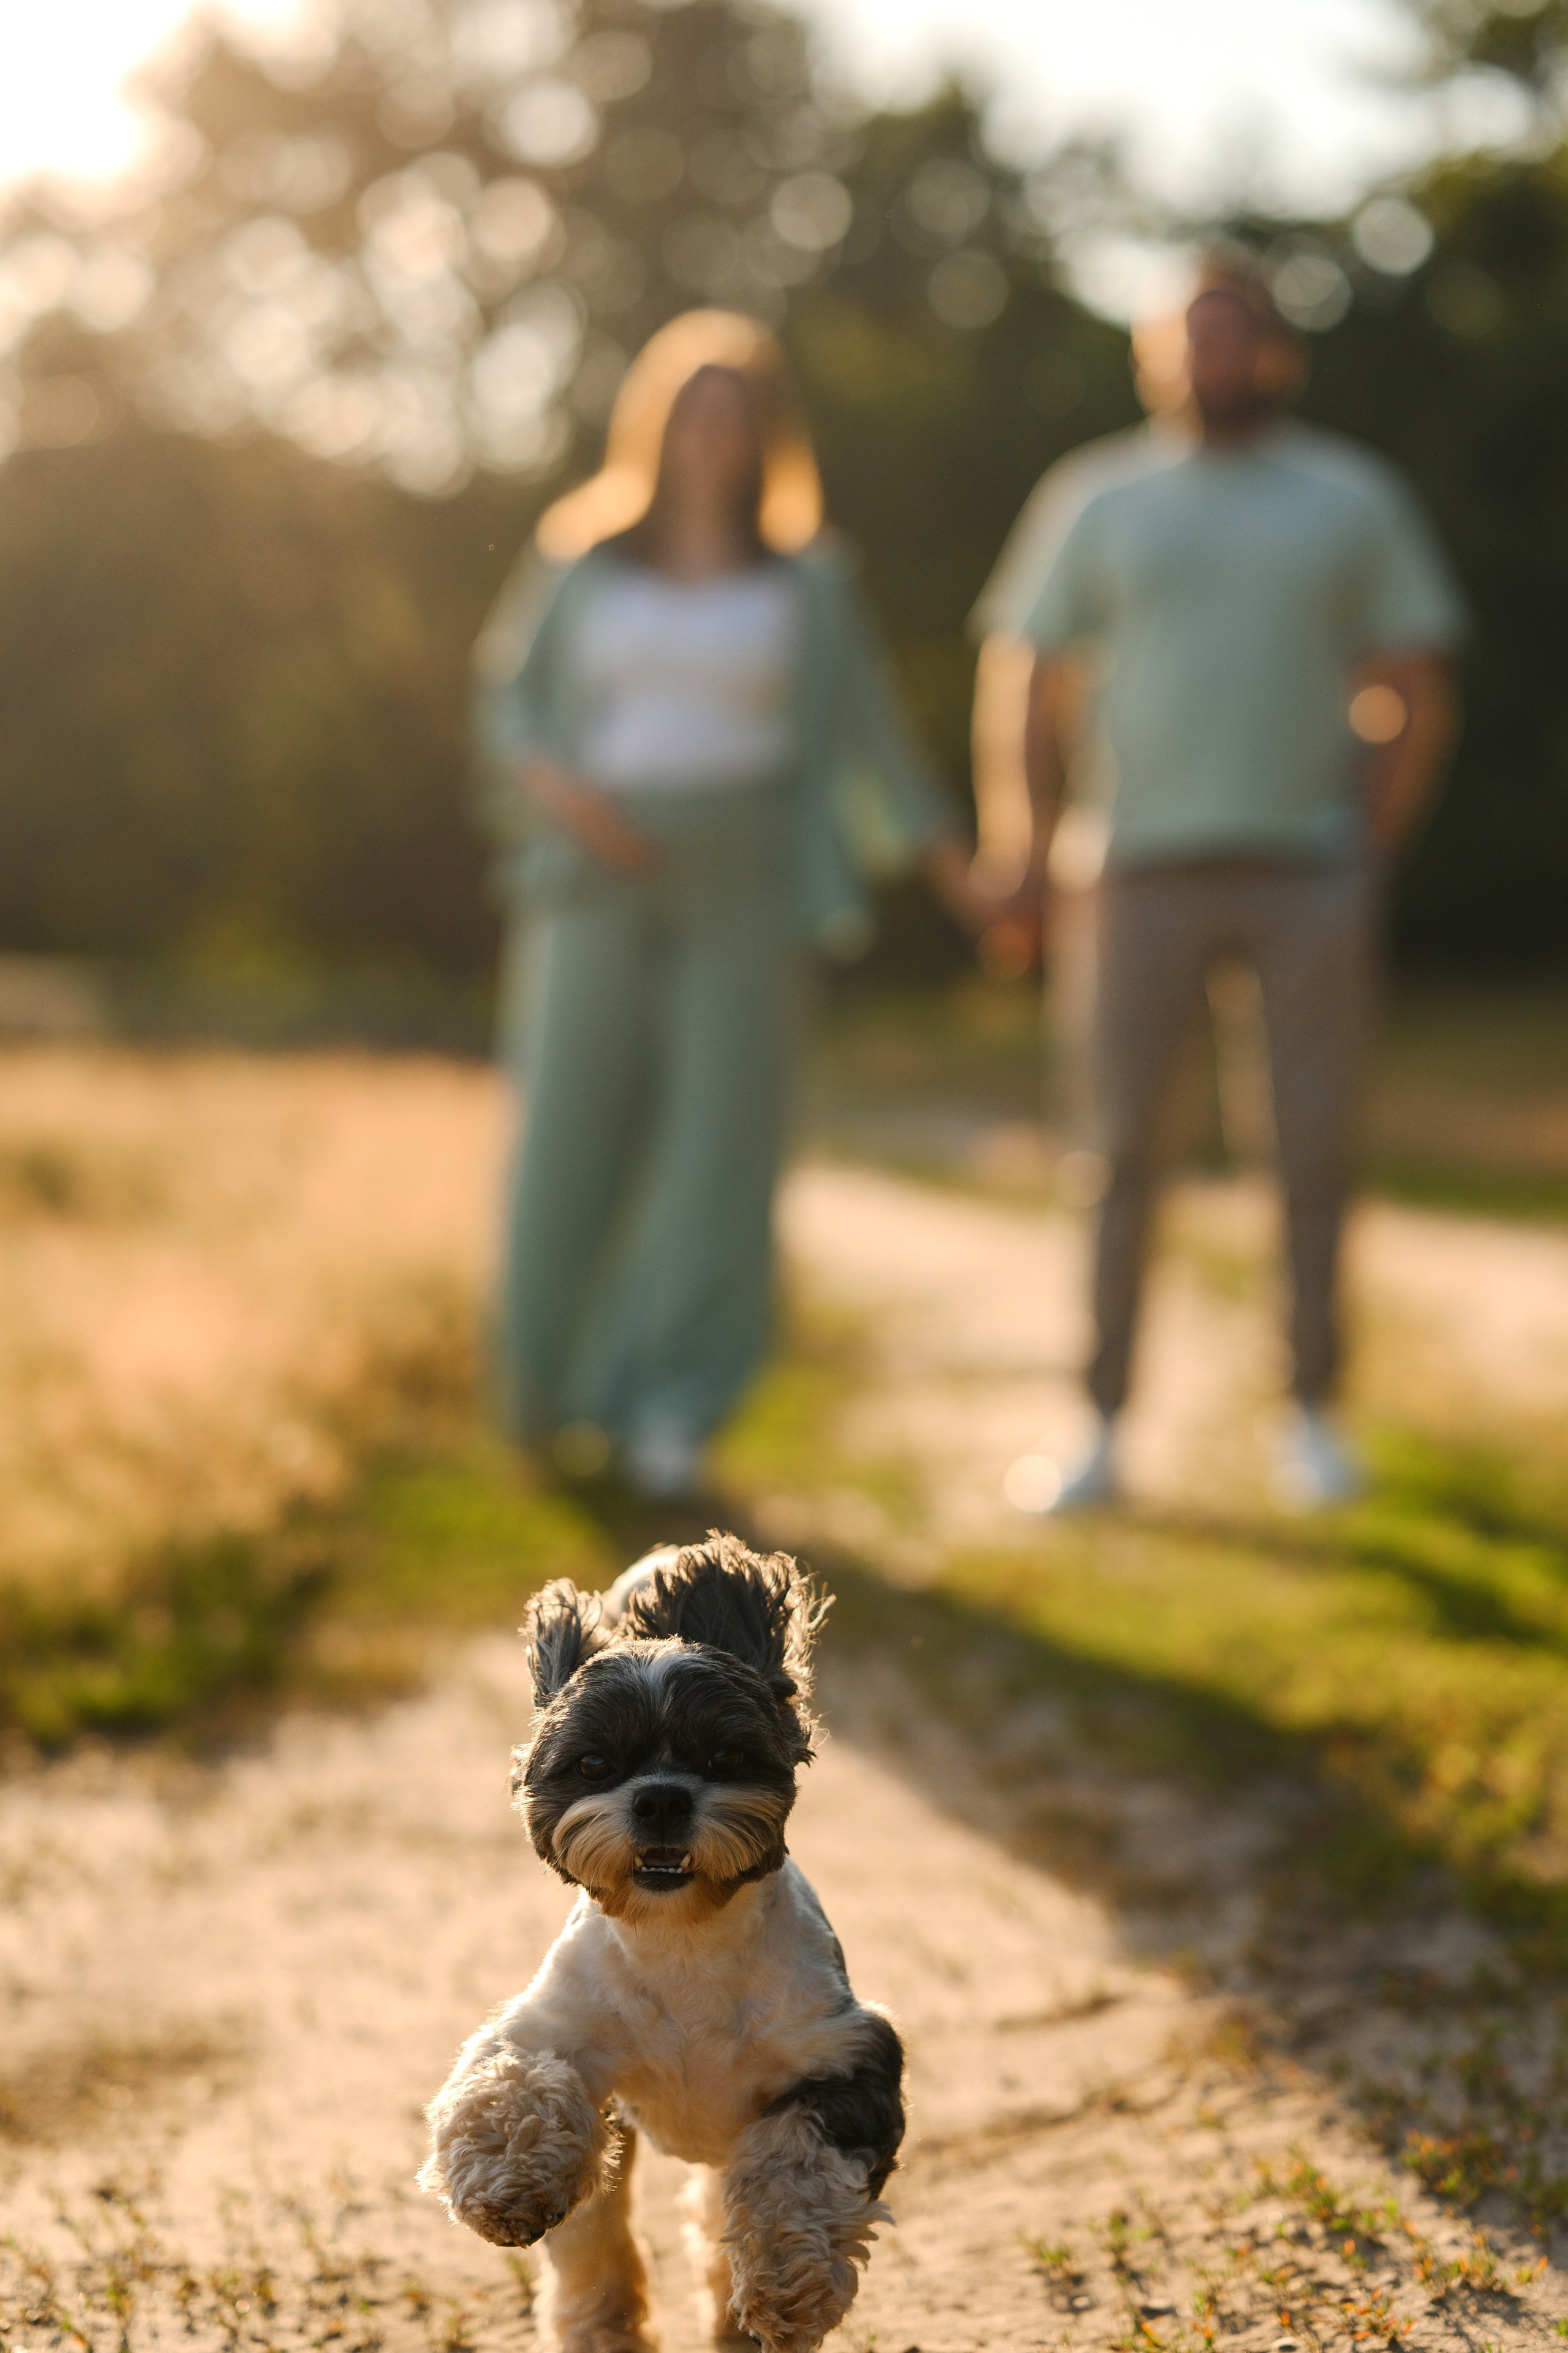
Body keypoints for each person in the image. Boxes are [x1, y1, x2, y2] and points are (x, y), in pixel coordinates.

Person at [473, 310, 984, 1498]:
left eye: (736, 413)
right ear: (655, 425)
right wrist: (572, 799)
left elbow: (874, 749)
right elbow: (508, 710)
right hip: (594, 869)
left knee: (720, 1151)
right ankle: (539, 1390)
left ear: (765, 434)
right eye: (693, 411)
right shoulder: (580, 560)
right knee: (566, 1134)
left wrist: (962, 877)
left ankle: (671, 1403)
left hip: (745, 876)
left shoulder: (809, 583)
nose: (712, 433)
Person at [995, 271, 1466, 1512]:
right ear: (1159, 358)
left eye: (1233, 336)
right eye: (1190, 337)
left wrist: (1368, 835)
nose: (1212, 357)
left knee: (1310, 1147)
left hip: (1305, 867)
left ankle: (1308, 1412)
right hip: (1132, 865)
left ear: (1271, 354)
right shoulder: (1095, 495)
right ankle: (1096, 1420)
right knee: (1114, 1151)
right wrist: (1024, 844)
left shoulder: (1346, 496)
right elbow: (1026, 677)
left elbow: (1412, 679)